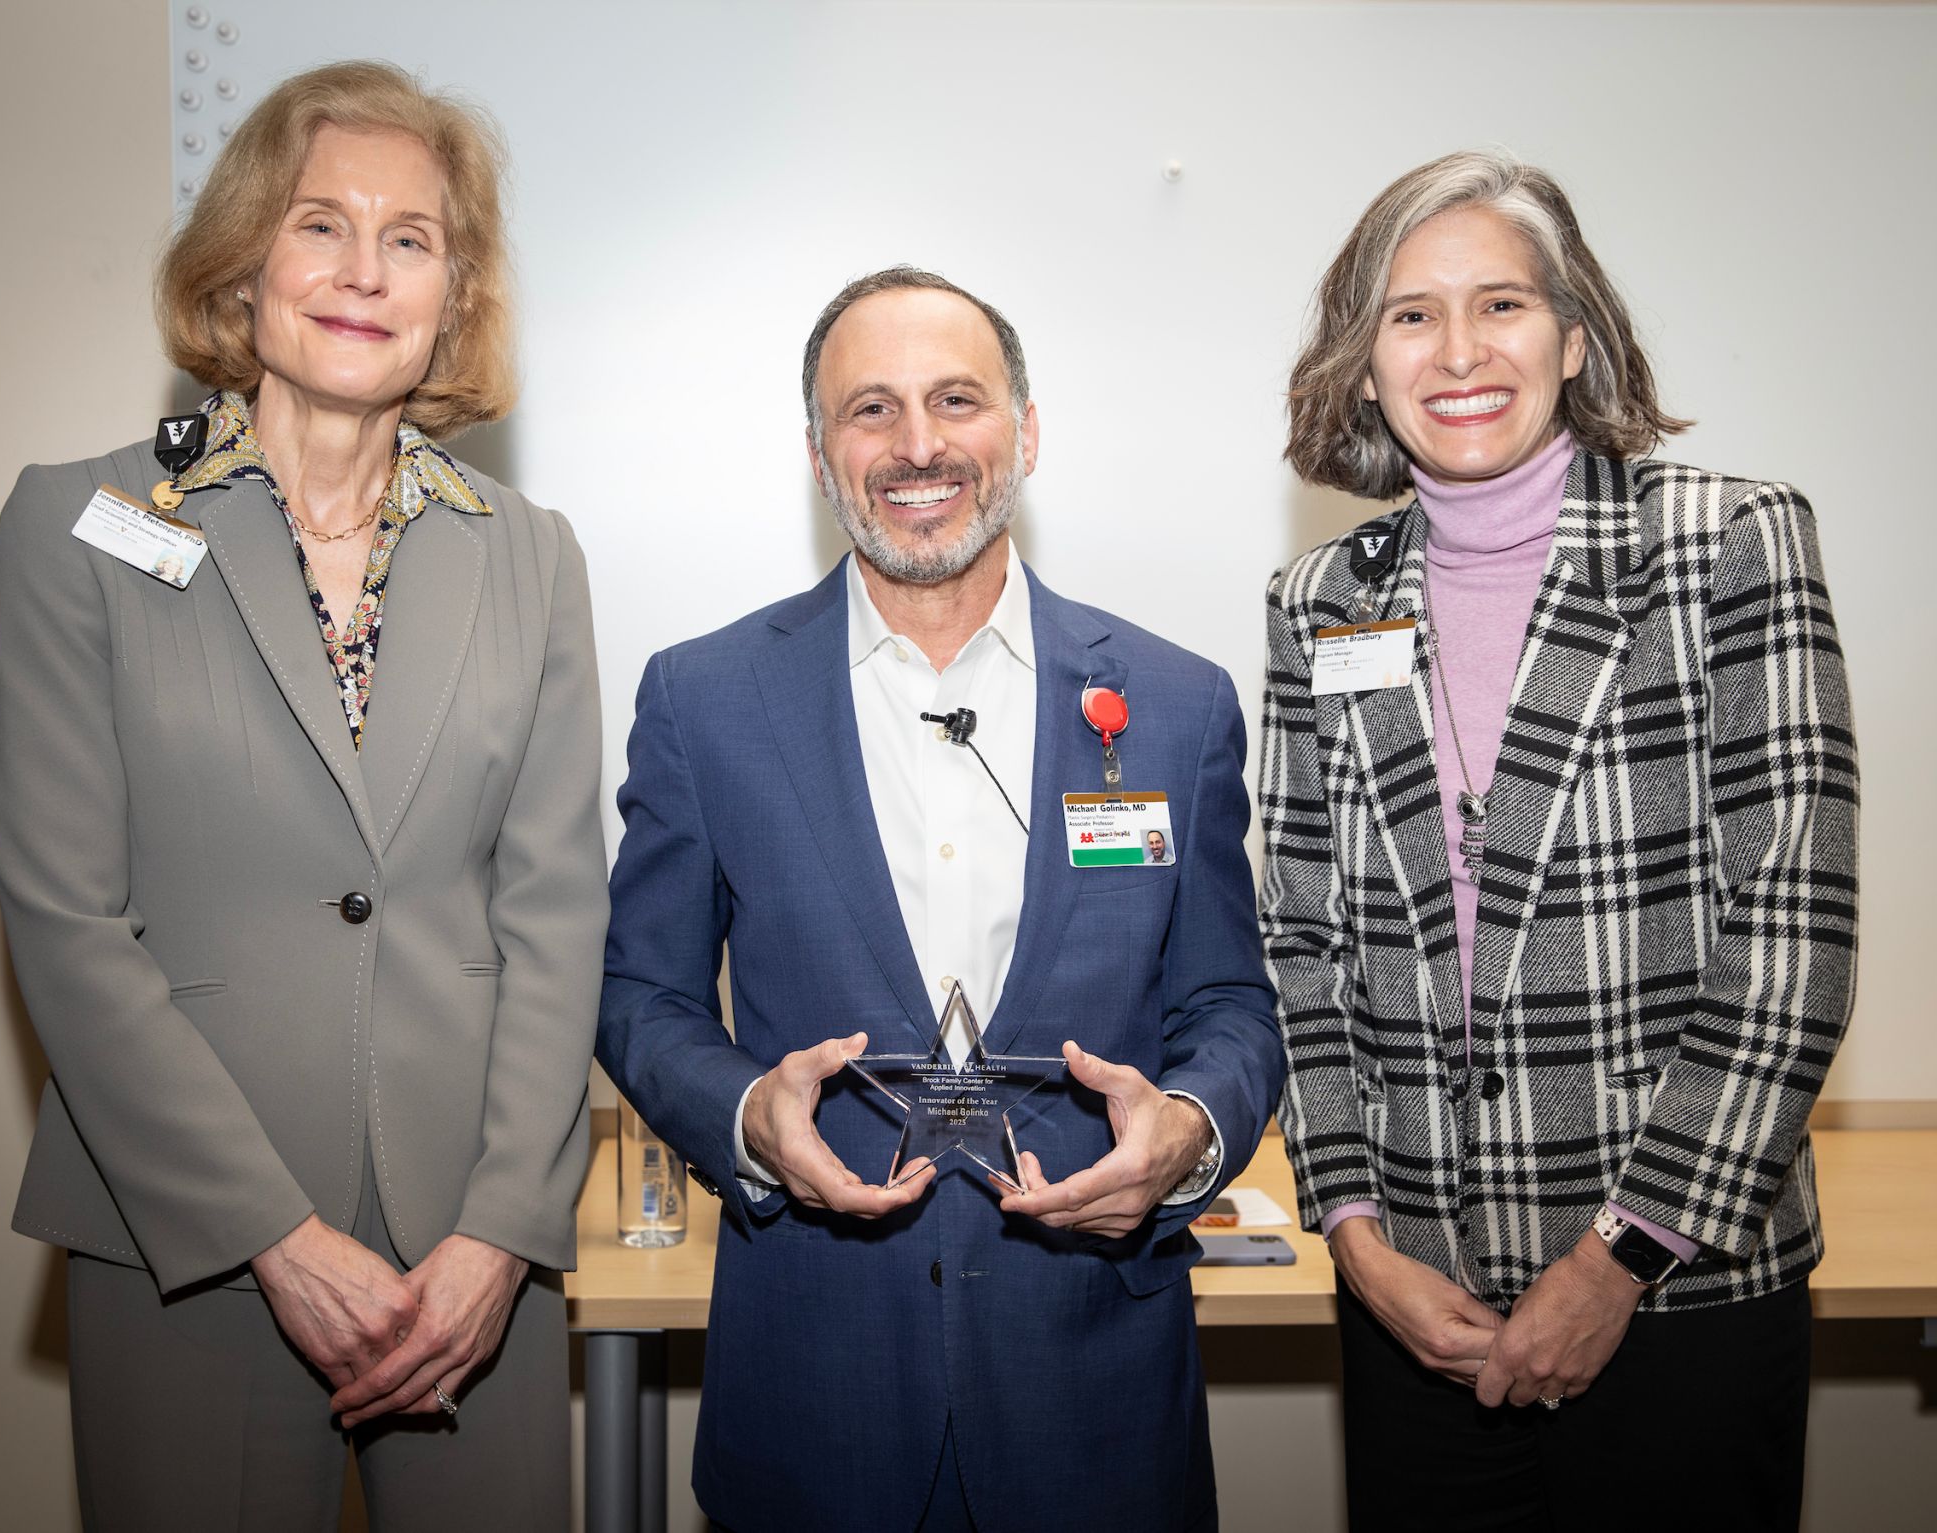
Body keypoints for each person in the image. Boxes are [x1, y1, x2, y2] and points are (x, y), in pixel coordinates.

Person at [0, 62, 606, 1530]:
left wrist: (502, 1232)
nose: (364, 271)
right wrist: (272, 1233)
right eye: (321, 224)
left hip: (472, 1256)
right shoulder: (81, 528)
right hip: (184, 1231)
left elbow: (557, 910)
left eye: (412, 239)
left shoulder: (533, 555)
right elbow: (70, 924)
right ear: (243, 262)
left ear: (453, 297)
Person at [598, 266, 1281, 1532]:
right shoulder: (704, 700)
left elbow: (1232, 1004)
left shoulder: (1177, 707)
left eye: (955, 400)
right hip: (815, 1395)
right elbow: (641, 994)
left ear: (1024, 431)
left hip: (1098, 1399)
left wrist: (1185, 1129)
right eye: (870, 409)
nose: (917, 446)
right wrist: (749, 1113)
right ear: (817, 453)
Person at [1260, 149, 1857, 1531]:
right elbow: (1301, 940)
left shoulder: (1725, 543)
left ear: (1574, 337)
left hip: (1680, 1291)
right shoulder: (1322, 601)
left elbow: (1794, 938)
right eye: (1410, 315)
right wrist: (1355, 1237)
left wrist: (1616, 1260)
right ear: (1363, 365)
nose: (1459, 351)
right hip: (1421, 1307)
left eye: (1503, 306)